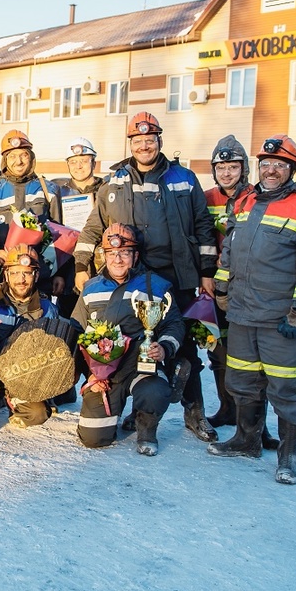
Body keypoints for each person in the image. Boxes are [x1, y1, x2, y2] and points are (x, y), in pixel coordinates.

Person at [75, 112, 219, 442]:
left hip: (176, 276)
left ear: (159, 142)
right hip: (129, 275)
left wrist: (207, 272)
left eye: (150, 140)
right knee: (128, 345)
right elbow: (93, 228)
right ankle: (139, 406)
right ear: (130, 144)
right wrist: (82, 266)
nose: (144, 145)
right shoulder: (114, 183)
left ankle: (194, 412)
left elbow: (203, 226)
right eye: (137, 140)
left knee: (181, 348)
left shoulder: (183, 178)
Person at [209, 135, 296, 485]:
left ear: (292, 168)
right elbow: (229, 252)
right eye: (266, 164)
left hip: (282, 320)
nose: (271, 170)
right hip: (243, 315)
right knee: (242, 381)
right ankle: (247, 441)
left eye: (279, 164)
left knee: (286, 390)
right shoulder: (246, 202)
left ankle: (288, 457)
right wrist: (221, 287)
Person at [72, 224, 184, 455]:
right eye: (111, 253)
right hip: (106, 374)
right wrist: (90, 373)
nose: (118, 259)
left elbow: (174, 324)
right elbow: (77, 330)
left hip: (141, 367)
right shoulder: (90, 288)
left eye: (124, 253)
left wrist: (163, 348)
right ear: (104, 255)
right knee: (93, 438)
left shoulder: (157, 286)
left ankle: (146, 428)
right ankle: (113, 413)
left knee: (153, 392)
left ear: (136, 255)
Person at [203, 136, 279, 450]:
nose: (227, 173)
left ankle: (257, 427)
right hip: (213, 285)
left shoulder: (257, 197)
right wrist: (205, 273)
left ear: (244, 169)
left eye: (233, 166)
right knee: (217, 348)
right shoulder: (204, 196)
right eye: (221, 167)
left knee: (250, 359)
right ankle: (227, 407)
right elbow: (200, 235)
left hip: (249, 288)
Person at [0, 244, 63, 427]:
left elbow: (55, 353)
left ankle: (20, 397)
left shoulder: (48, 309)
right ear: (5, 274)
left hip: (23, 375)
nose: (21, 279)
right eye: (15, 273)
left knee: (37, 415)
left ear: (36, 275)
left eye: (27, 273)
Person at [0, 130, 65, 297]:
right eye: (12, 156)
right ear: (5, 160)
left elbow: (60, 234)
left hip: (39, 276)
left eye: (24, 155)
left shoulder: (48, 189)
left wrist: (60, 273)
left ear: (31, 157)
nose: (19, 161)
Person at [55, 137, 104, 318]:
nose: (79, 166)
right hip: (69, 273)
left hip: (101, 267)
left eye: (84, 161)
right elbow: (55, 234)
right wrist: (58, 274)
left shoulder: (107, 190)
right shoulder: (59, 192)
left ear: (94, 162)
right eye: (73, 162)